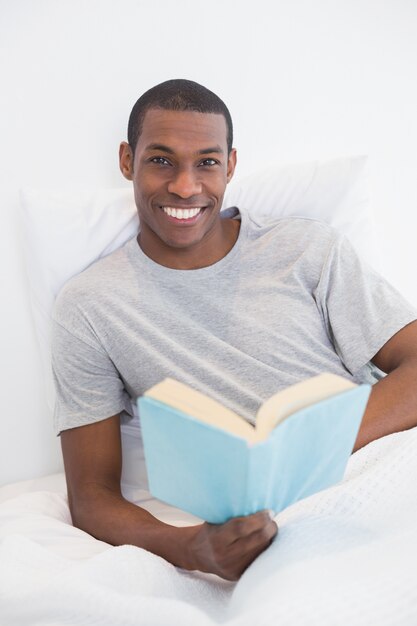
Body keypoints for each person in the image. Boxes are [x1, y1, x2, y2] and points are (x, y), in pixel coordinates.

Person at [52, 79, 417, 582]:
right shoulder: (89, 305)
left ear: (231, 165)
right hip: (262, 521)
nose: (186, 186)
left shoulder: (306, 248)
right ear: (126, 160)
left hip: (379, 464)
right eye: (161, 160)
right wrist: (190, 548)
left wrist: (311, 446)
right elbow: (91, 497)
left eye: (206, 162)